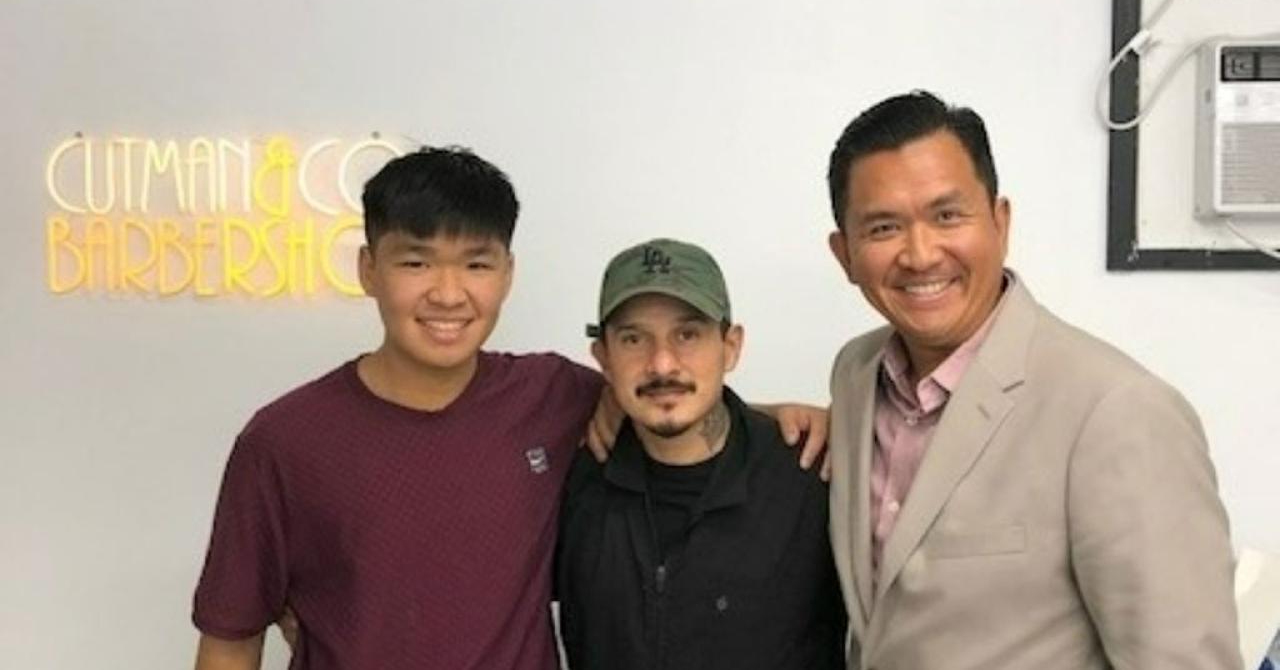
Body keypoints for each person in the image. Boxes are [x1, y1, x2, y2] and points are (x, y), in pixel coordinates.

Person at [191, 147, 827, 670]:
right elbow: (229, 641)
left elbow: (669, 396)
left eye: (475, 263)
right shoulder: (285, 442)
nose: (448, 293)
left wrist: (793, 417)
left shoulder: (550, 396)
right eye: (415, 262)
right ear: (367, 268)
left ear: (507, 273)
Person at [822, 91, 1241, 670]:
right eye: (884, 227)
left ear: (1000, 223)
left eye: (947, 216)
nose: (920, 255)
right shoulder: (855, 376)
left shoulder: (1116, 410)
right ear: (844, 254)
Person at [556, 238, 845, 670]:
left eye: (688, 334)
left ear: (731, 346)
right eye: (634, 339)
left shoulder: (815, 474)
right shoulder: (568, 480)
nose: (663, 364)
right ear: (604, 358)